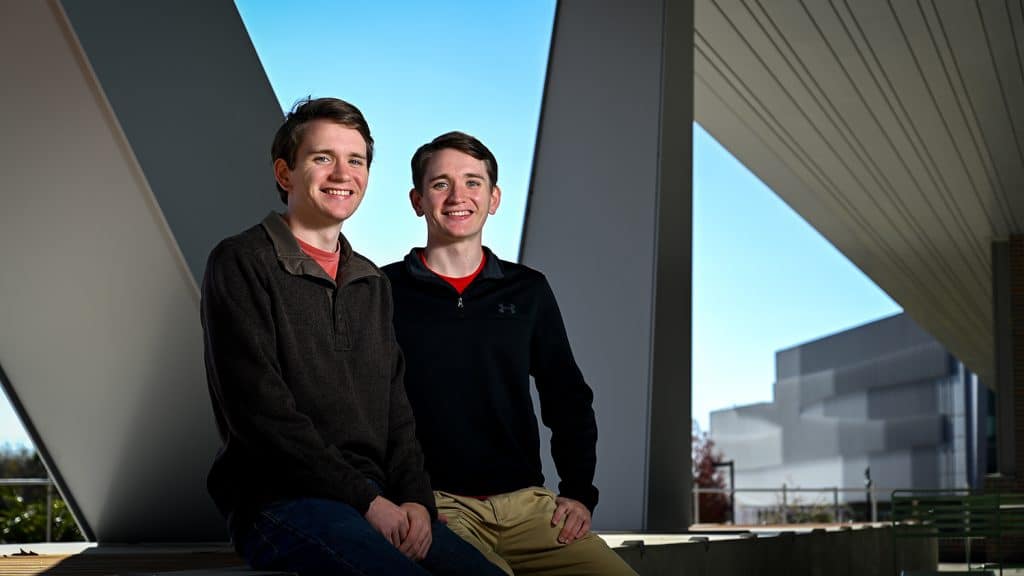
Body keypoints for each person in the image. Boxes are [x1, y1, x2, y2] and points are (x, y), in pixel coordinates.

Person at [200, 99, 506, 576]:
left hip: (378, 500)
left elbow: (396, 413)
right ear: (285, 173)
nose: (343, 172)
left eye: (356, 160)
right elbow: (262, 416)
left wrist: (416, 502)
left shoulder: (371, 281)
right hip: (281, 502)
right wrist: (367, 501)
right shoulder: (242, 262)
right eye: (323, 157)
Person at [383, 131, 638, 575]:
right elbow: (366, 407)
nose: (458, 196)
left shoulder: (528, 290)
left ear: (494, 197)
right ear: (417, 199)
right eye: (441, 183)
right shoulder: (382, 291)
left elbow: (568, 396)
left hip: (528, 508)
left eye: (473, 182)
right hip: (440, 508)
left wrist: (578, 492)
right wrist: (407, 497)